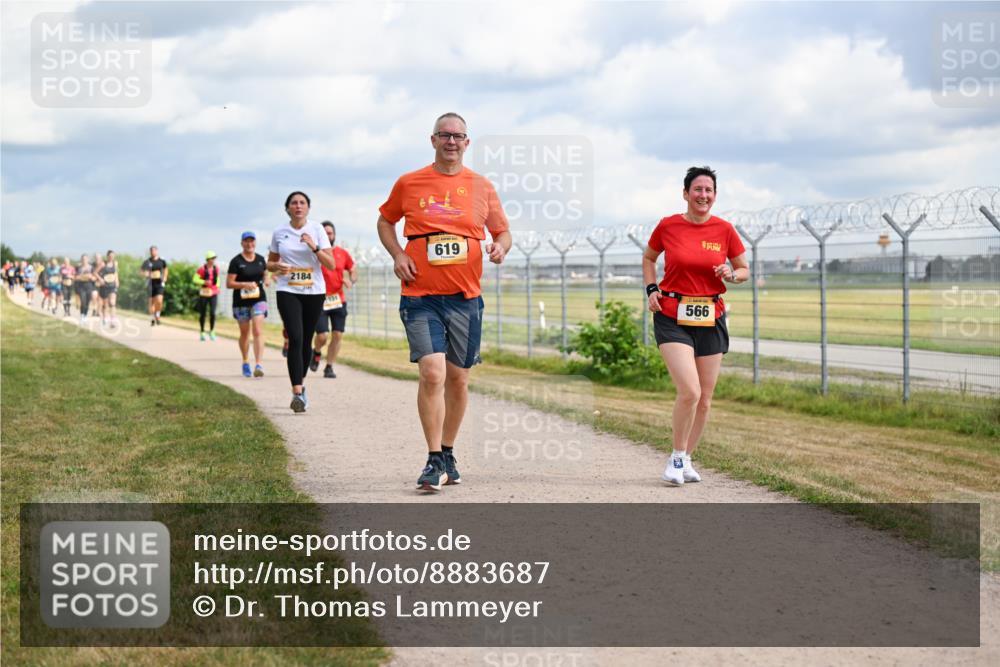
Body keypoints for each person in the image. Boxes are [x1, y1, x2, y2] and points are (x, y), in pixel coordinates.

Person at [377, 112, 511, 492]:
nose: (451, 141)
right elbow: (385, 221)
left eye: (458, 136)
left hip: (465, 299)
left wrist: (500, 247)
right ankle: (434, 458)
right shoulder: (410, 182)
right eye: (444, 135)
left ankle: (448, 451)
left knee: (458, 378)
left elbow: (503, 232)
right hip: (420, 296)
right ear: (433, 140)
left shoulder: (482, 186)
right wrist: (398, 254)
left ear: (467, 143)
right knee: (432, 373)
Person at [643, 166, 750, 486]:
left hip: (710, 316)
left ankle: (687, 459)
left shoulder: (724, 230)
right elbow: (649, 258)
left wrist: (732, 275)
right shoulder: (668, 225)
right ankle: (676, 459)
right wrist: (651, 289)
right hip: (672, 314)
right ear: (686, 193)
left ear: (714, 195)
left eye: (709, 190)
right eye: (698, 189)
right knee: (690, 390)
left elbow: (744, 269)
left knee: (705, 398)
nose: (703, 195)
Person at [267, 191, 336, 412]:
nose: (298, 206)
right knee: (295, 337)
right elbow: (269, 264)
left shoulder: (317, 229)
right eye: (294, 203)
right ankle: (297, 392)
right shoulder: (279, 232)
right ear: (287, 208)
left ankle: (301, 384)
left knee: (306, 340)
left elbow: (331, 264)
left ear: (308, 207)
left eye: (302, 203)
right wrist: (277, 267)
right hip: (287, 289)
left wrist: (314, 246)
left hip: (314, 291)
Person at [310, 221, 357, 378]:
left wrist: (351, 280)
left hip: (338, 299)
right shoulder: (314, 253)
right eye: (325, 233)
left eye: (330, 233)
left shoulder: (342, 253)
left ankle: (329, 366)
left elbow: (353, 270)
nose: (328, 236)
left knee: (337, 335)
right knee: (322, 336)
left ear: (334, 235)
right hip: (319, 300)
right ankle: (317, 352)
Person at [228, 231, 270, 378]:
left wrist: (267, 279)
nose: (249, 244)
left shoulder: (260, 259)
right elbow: (229, 283)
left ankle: (258, 364)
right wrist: (244, 284)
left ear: (255, 243)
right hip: (241, 302)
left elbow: (265, 273)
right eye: (246, 241)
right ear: (242, 243)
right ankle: (245, 361)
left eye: (252, 241)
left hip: (259, 299)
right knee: (245, 333)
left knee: (257, 330)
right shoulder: (236, 261)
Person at [193, 251, 221, 341]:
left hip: (213, 293)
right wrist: (204, 282)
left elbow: (218, 279)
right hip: (204, 293)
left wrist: (217, 287)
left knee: (213, 313)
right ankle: (202, 332)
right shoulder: (201, 269)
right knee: (203, 313)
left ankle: (212, 331)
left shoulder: (216, 269)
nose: (214, 260)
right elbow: (195, 279)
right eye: (212, 258)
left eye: (214, 258)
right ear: (208, 259)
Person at [141, 246, 168, 326]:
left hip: (159, 283)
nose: (152, 252)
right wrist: (145, 274)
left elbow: (165, 269)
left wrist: (165, 277)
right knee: (151, 302)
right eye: (151, 251)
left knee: (159, 301)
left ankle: (157, 315)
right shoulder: (147, 261)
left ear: (157, 251)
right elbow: (141, 271)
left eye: (154, 251)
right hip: (150, 283)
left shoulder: (162, 261)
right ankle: (152, 318)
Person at [97, 250, 119, 327]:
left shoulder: (115, 263)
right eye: (110, 256)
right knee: (105, 304)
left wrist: (117, 281)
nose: (111, 257)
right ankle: (105, 318)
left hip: (112, 285)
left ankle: (112, 321)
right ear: (107, 256)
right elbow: (95, 272)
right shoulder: (103, 264)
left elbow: (115, 273)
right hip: (105, 285)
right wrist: (100, 279)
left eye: (113, 256)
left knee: (112, 302)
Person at [75, 254, 96, 322]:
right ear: (81, 260)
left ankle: (85, 315)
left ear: (88, 260)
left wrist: (91, 277)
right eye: (83, 259)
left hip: (89, 286)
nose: (84, 260)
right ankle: (82, 315)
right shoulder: (78, 268)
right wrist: (81, 276)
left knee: (87, 302)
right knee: (83, 301)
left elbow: (95, 277)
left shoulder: (91, 268)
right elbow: (75, 277)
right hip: (81, 286)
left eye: (85, 259)